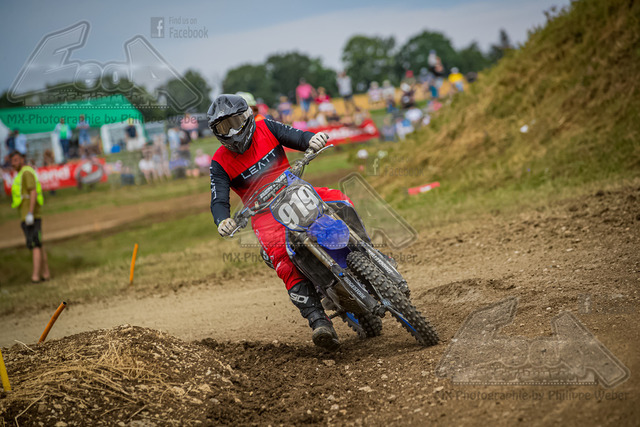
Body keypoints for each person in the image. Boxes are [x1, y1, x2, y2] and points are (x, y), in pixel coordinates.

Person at [208, 94, 345, 351]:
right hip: (264, 215)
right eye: (224, 127)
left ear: (247, 116)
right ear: (216, 132)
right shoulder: (219, 162)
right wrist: (222, 220)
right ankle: (319, 321)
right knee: (282, 258)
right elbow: (218, 199)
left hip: (295, 192)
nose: (233, 131)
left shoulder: (267, 127)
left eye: (236, 122)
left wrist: (311, 139)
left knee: (338, 201)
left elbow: (298, 137)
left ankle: (369, 254)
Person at [10, 151, 50, 283]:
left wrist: (30, 213)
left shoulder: (26, 172)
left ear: (22, 159)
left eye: (16, 160)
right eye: (12, 161)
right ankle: (45, 273)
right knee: (38, 243)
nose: (13, 163)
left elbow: (33, 191)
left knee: (35, 244)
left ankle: (35, 276)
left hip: (31, 215)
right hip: (27, 214)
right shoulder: (21, 173)